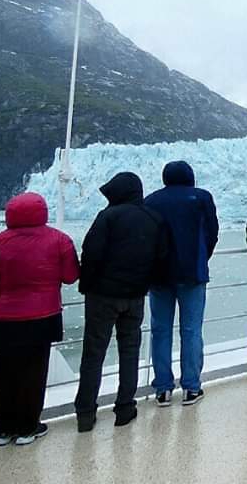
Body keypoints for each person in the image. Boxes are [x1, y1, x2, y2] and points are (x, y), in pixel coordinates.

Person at [75, 172, 169, 432]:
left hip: (102, 296)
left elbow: (91, 252)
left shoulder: (108, 216)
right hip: (135, 297)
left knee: (93, 353)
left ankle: (85, 412)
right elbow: (161, 257)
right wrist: (144, 284)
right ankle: (125, 407)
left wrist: (87, 285)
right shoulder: (154, 218)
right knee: (129, 351)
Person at [0, 193, 79, 447]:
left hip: (1, 317)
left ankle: (3, 429)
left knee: (4, 371)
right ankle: (28, 427)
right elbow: (71, 276)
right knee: (34, 372)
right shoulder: (58, 240)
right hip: (42, 316)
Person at [144, 160, 219, 407]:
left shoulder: (151, 200)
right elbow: (212, 233)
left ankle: (163, 389)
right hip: (192, 273)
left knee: (160, 331)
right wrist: (200, 258)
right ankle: (191, 388)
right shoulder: (201, 198)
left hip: (159, 276)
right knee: (191, 330)